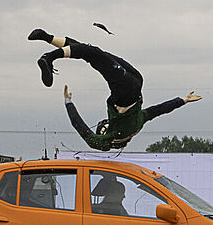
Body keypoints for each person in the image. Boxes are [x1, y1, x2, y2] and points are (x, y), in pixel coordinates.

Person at [28, 28, 202, 151]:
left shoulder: (136, 124)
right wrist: (68, 102)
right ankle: (48, 57)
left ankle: (47, 39)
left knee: (92, 53)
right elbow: (78, 125)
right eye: (102, 128)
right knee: (93, 53)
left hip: (133, 85)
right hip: (127, 90)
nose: (103, 125)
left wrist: (183, 100)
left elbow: (159, 110)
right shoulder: (112, 136)